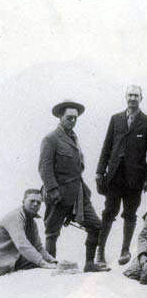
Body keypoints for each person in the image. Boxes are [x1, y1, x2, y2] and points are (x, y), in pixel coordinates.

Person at [38, 100, 110, 272]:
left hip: (78, 194)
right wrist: (53, 190)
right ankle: (51, 267)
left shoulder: (74, 138)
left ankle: (90, 264)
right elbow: (44, 167)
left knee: (96, 226)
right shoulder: (51, 139)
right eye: (69, 118)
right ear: (61, 117)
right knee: (52, 233)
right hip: (58, 194)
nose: (72, 121)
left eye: (75, 118)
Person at [95, 85, 147, 267]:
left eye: (136, 95)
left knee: (130, 213)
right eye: (130, 95)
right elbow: (107, 146)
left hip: (134, 178)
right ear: (125, 97)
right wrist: (100, 171)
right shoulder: (116, 119)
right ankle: (100, 251)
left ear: (141, 98)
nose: (133, 98)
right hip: (114, 176)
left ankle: (125, 250)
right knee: (108, 213)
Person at [0, 189, 58, 275]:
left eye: (38, 202)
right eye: (32, 201)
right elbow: (22, 245)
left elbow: (38, 247)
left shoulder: (32, 221)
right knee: (40, 266)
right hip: (4, 261)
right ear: (23, 201)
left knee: (47, 266)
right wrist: (43, 263)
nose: (35, 204)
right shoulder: (15, 216)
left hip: (15, 258)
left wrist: (54, 261)